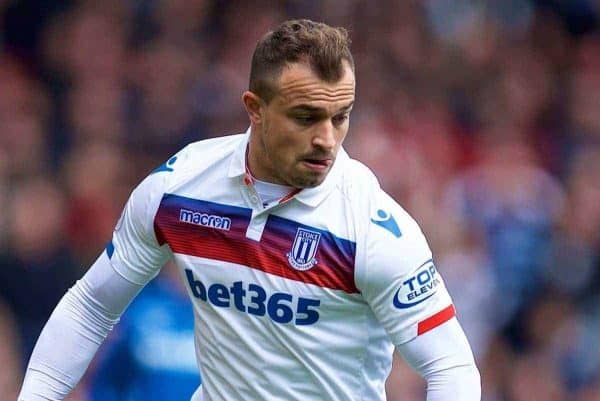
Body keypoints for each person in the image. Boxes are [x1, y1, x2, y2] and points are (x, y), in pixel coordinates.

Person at [18, 19, 481, 401]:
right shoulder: (181, 190)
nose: (328, 139)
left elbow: (451, 367)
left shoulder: (373, 230)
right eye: (306, 117)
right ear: (254, 108)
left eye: (341, 116)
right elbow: (92, 305)